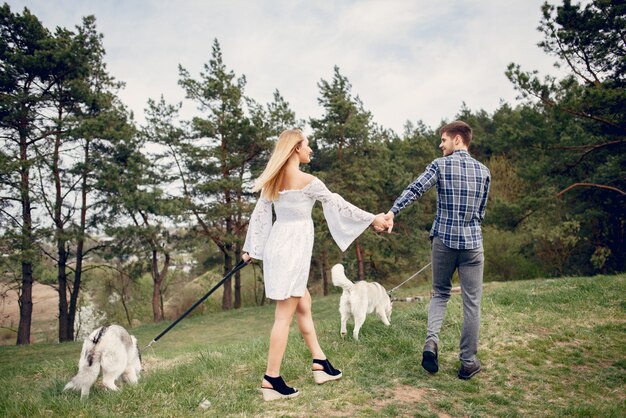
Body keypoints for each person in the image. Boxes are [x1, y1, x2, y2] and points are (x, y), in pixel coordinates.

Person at [242, 129, 388, 401]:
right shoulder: (309, 181)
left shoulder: (272, 181)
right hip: (293, 253)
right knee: (283, 317)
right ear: (296, 148)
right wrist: (373, 219)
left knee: (304, 305)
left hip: (278, 249)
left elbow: (260, 216)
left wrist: (251, 249)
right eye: (308, 146)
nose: (311, 151)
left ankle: (320, 364)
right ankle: (271, 380)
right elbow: (339, 205)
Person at [384, 120, 490, 380]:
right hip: (472, 245)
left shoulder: (440, 165)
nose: (440, 145)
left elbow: (416, 188)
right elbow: (481, 212)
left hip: (443, 241)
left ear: (457, 140)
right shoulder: (484, 171)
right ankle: (467, 363)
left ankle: (431, 343)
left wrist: (392, 212)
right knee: (471, 303)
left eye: (443, 140)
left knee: (440, 293)